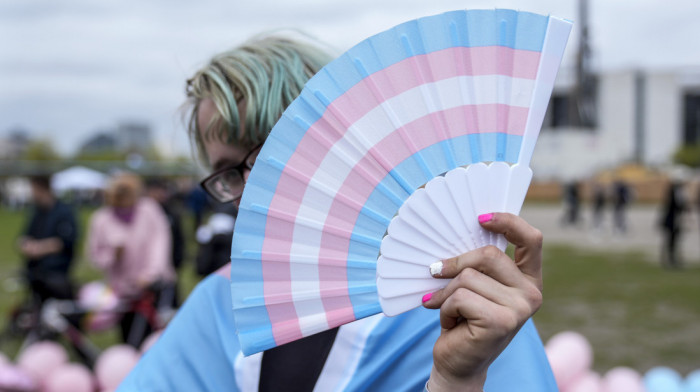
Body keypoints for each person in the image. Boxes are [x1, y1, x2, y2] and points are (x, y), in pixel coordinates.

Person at [119, 35, 555, 391]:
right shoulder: (221, 303)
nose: (251, 188)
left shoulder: (462, 303)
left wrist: (456, 380)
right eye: (227, 172)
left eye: (270, 152)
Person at [86, 173, 176, 347]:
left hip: (153, 287)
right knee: (129, 338)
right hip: (123, 291)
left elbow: (159, 244)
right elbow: (95, 257)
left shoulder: (149, 210)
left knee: (156, 336)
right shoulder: (101, 220)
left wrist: (150, 274)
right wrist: (113, 255)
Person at [18, 174, 78, 304]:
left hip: (56, 273)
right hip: (35, 273)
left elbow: (64, 241)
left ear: (41, 189)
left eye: (33, 190)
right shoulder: (37, 212)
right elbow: (25, 236)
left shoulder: (63, 211)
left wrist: (38, 249)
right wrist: (25, 245)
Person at [145, 178, 186, 306]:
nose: (161, 194)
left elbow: (179, 237)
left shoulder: (171, 211)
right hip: (148, 265)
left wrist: (178, 259)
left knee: (169, 299)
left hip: (170, 261)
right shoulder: (143, 213)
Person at [659, 180, 688, 268]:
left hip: (675, 220)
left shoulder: (677, 192)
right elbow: (677, 206)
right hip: (672, 221)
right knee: (670, 241)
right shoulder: (675, 192)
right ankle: (669, 259)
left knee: (673, 241)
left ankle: (672, 259)